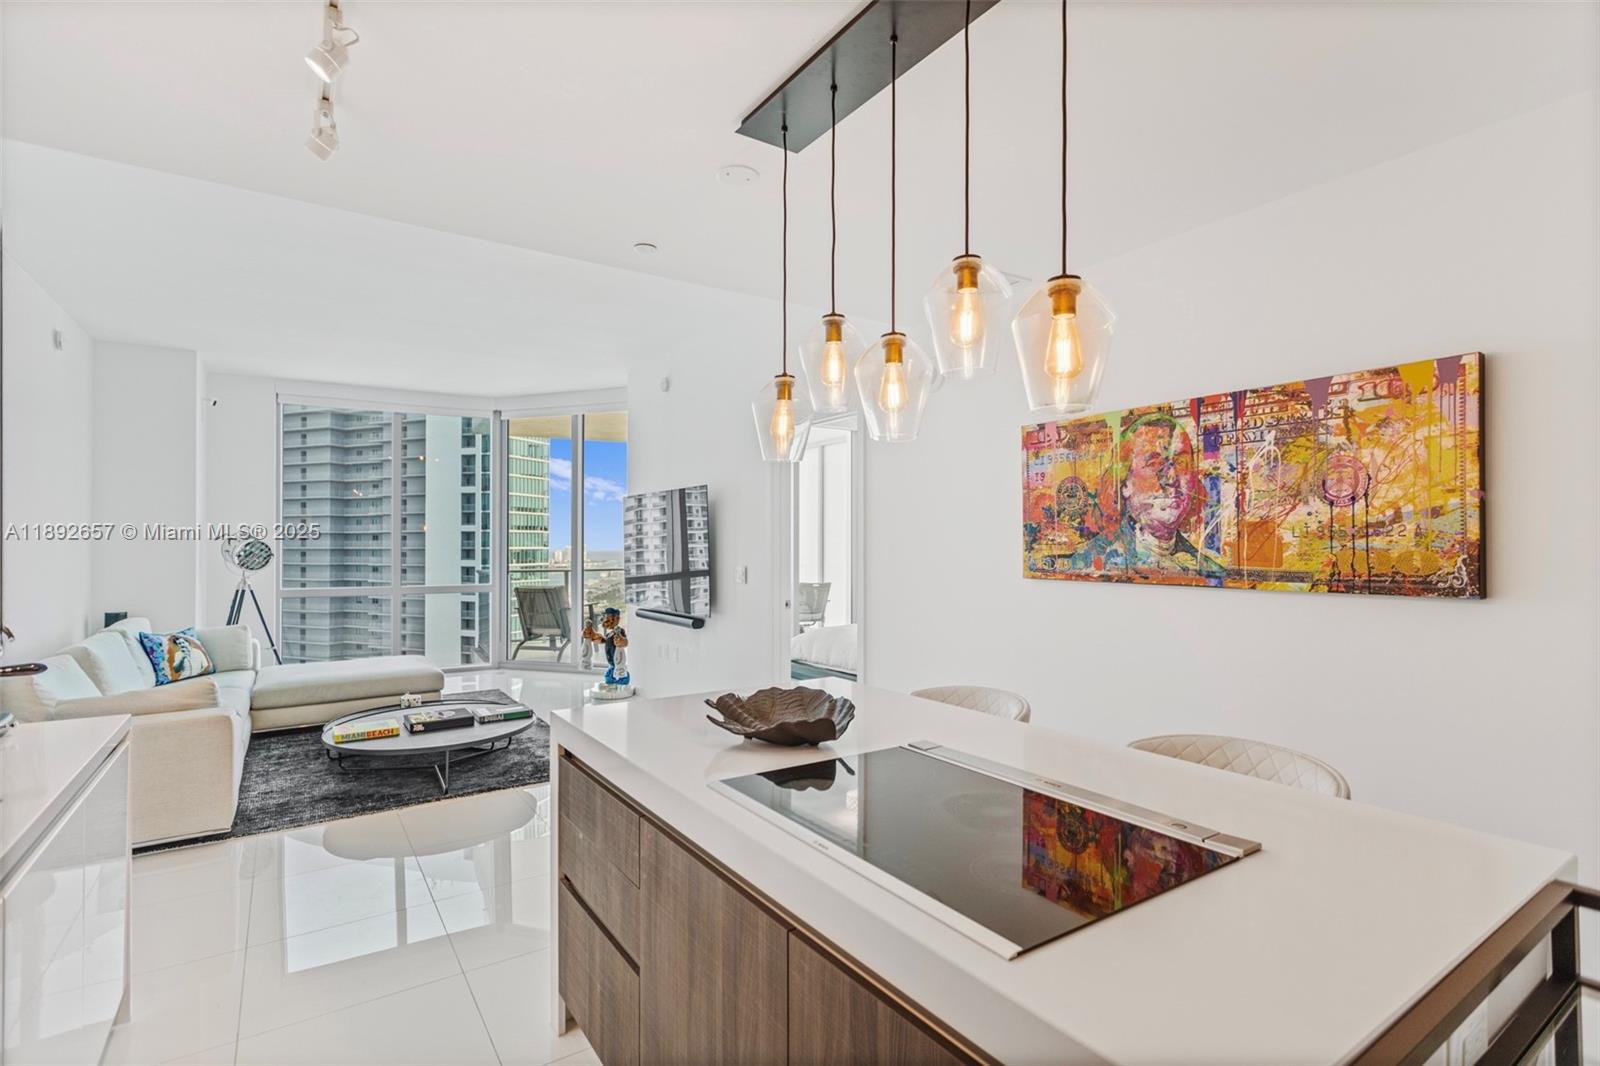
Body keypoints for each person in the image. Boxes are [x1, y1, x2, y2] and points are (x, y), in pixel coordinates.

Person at [1069, 412, 1224, 583]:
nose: (1171, 478)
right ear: (1124, 483)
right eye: (1154, 464)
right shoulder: (1086, 565)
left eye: (1181, 463)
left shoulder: (1212, 573)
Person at [582, 607, 630, 687]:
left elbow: (625, 642)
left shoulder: (619, 631)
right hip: (611, 663)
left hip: (618, 663)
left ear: (617, 619)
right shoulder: (609, 634)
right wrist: (592, 635)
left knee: (622, 677)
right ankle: (612, 687)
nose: (605, 620)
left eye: (608, 617)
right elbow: (602, 640)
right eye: (605, 617)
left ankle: (622, 686)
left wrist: (620, 640)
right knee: (608, 678)